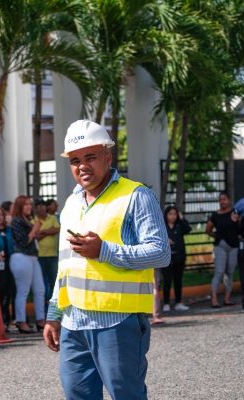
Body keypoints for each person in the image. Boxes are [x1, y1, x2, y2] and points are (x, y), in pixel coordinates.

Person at [43, 120, 170, 400]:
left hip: (118, 323)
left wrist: (105, 251)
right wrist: (54, 314)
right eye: (75, 160)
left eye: (90, 157)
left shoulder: (136, 196)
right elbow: (66, 265)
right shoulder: (71, 203)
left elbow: (161, 252)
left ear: (107, 156)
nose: (82, 166)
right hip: (74, 323)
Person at [10, 195, 45, 333]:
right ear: (19, 207)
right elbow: (24, 241)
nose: (29, 207)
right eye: (25, 205)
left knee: (40, 289)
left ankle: (40, 319)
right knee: (23, 291)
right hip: (21, 257)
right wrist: (35, 229)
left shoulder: (27, 220)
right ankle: (21, 321)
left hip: (32, 257)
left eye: (29, 204)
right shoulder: (16, 221)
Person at [206, 191, 241, 308]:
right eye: (220, 199)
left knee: (230, 273)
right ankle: (214, 299)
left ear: (229, 200)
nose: (222, 201)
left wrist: (236, 220)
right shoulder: (215, 215)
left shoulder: (235, 212)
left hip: (233, 247)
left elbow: (240, 230)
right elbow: (208, 230)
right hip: (220, 246)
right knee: (219, 272)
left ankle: (227, 298)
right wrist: (217, 237)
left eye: (224, 199)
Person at [162, 206, 192, 311]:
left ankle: (178, 302)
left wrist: (182, 218)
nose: (172, 216)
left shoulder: (180, 225)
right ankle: (166, 303)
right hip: (167, 258)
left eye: (175, 214)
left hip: (179, 256)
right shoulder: (162, 226)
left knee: (178, 280)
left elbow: (188, 229)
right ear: (166, 215)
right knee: (167, 280)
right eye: (170, 214)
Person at [34, 198, 60, 307]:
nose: (41, 208)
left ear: (46, 207)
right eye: (38, 206)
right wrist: (49, 231)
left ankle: (53, 306)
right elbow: (35, 237)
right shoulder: (33, 220)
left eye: (42, 205)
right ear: (35, 209)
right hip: (39, 257)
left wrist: (43, 231)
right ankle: (44, 307)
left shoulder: (53, 218)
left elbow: (57, 229)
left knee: (54, 282)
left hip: (53, 255)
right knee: (42, 284)